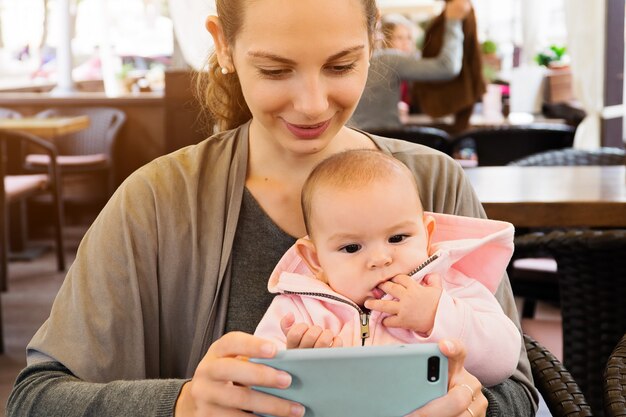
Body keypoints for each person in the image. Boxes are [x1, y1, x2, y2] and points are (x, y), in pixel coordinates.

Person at [7, 1, 538, 416]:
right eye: (276, 70)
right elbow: (35, 399)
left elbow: (518, 390)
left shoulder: (431, 182)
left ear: (373, 39)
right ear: (223, 46)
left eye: (341, 64)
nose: (311, 103)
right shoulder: (157, 202)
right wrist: (182, 404)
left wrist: (476, 406)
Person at [254, 149, 520, 387]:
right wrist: (295, 367)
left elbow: (504, 361)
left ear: (427, 235)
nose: (380, 259)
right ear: (315, 259)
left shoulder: (449, 287)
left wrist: (439, 315)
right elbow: (257, 384)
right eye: (351, 248)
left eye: (397, 238)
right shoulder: (298, 311)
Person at [350, 0, 471, 130]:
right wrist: (453, 21)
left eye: (409, 38)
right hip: (383, 139)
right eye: (400, 38)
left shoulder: (360, 61)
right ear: (384, 39)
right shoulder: (390, 59)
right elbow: (447, 67)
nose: (406, 44)